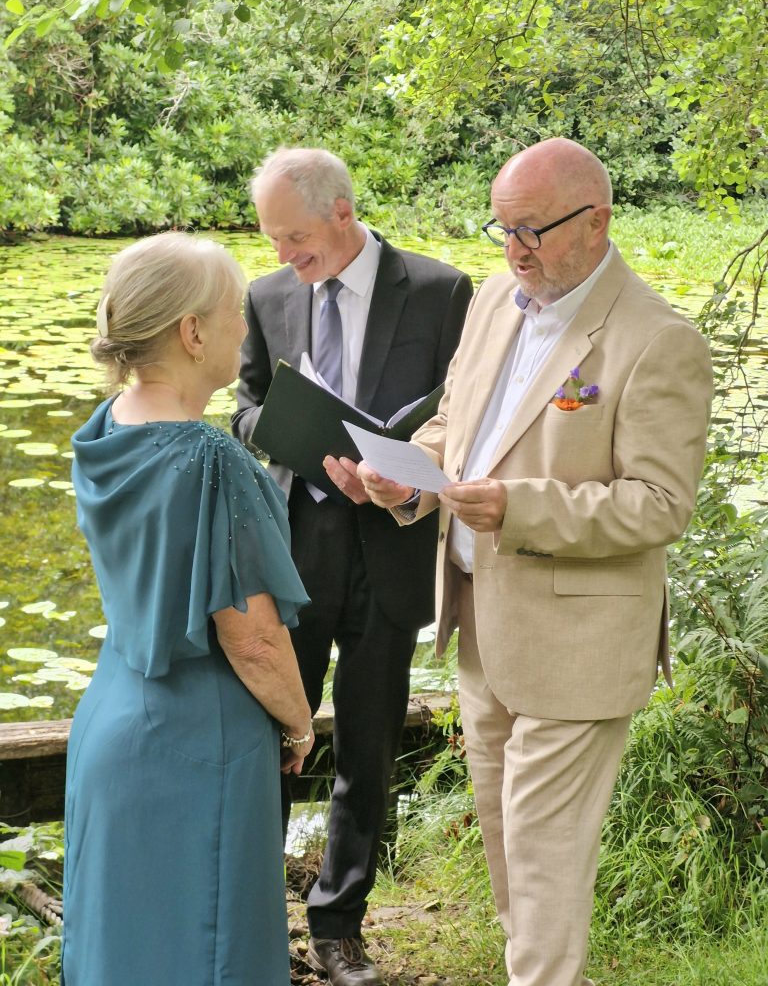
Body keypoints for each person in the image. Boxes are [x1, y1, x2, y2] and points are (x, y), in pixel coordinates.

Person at [354, 138, 713, 986]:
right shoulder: (493, 303)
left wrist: (523, 508)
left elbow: (661, 504)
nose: (514, 249)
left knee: (545, 853)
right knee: (511, 850)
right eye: (502, 229)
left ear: (597, 222)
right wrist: (401, 476)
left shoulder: (658, 339)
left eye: (532, 230)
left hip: (581, 639)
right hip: (482, 626)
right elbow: (459, 430)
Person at [232, 147, 472, 985]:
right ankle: (254, 920)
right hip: (294, 548)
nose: (282, 257)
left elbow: (462, 415)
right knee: (270, 736)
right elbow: (247, 404)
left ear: (342, 212)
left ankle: (339, 926)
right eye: (271, 240)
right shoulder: (265, 298)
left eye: (293, 236)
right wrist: (284, 435)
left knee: (368, 747)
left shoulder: (442, 293)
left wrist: (397, 472)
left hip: (391, 545)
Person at [63, 232, 313, 986]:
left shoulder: (107, 428)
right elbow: (252, 638)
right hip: (193, 742)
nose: (245, 326)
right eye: (233, 309)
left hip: (112, 720)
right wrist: (300, 720)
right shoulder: (211, 460)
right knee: (206, 951)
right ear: (193, 331)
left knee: (126, 950)